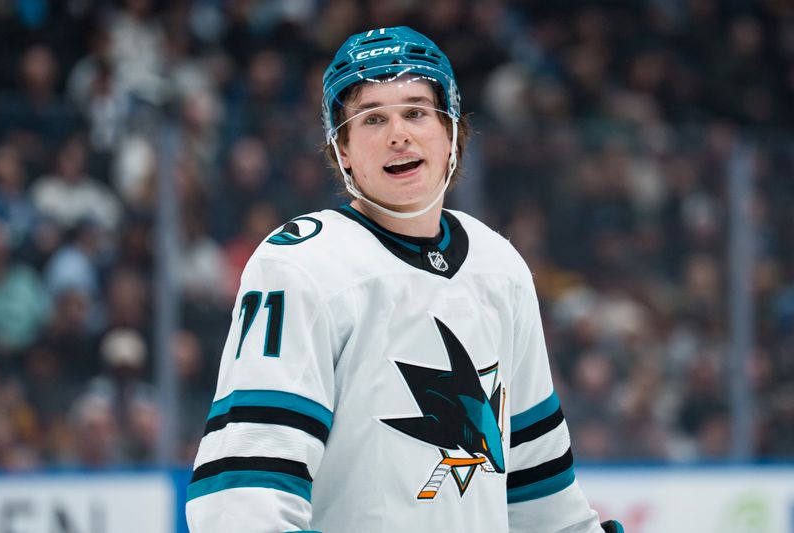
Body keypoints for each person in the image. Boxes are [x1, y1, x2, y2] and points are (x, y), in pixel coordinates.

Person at [186, 27, 624, 533]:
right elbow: (241, 500)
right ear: (342, 149)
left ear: (451, 132)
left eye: (416, 111)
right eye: (372, 118)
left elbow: (540, 496)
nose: (399, 134)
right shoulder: (300, 266)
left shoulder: (499, 266)